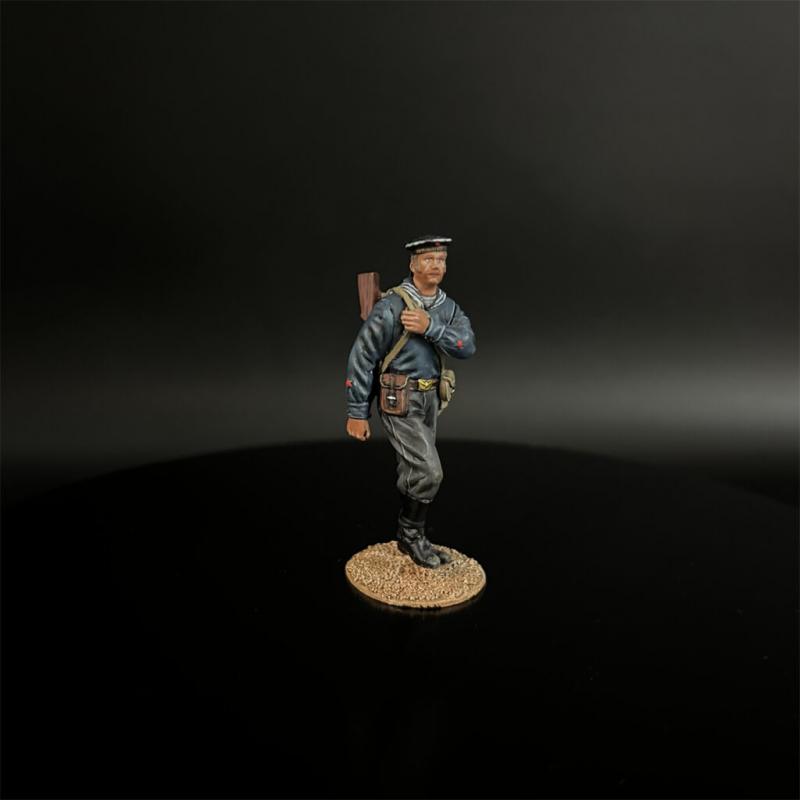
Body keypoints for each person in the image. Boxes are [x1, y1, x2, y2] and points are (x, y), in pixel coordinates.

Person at [344, 235, 476, 568]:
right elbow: (363, 357)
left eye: (441, 260)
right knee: (429, 472)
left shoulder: (447, 308)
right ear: (413, 264)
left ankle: (408, 536)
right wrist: (357, 412)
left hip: (430, 399)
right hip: (400, 398)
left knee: (413, 469)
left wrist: (431, 327)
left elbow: (467, 346)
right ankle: (411, 534)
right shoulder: (392, 306)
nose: (436, 266)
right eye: (428, 259)